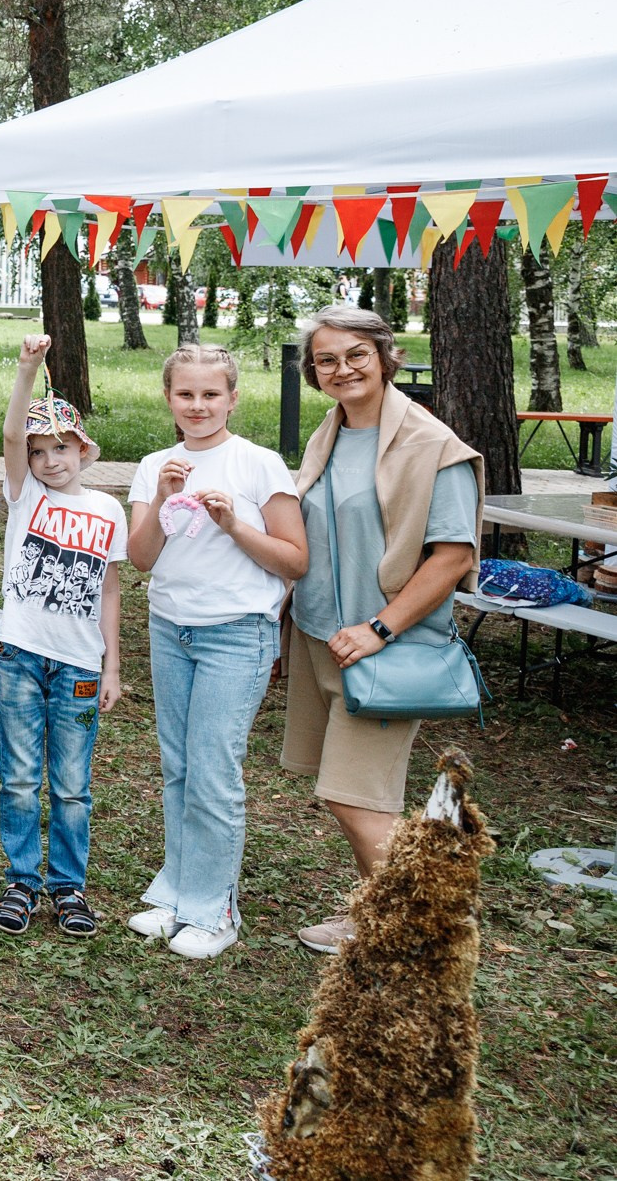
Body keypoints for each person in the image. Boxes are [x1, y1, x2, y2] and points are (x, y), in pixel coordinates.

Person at [283, 303, 479, 954]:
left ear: (385, 354)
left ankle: (421, 930)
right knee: (347, 793)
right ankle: (375, 916)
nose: (343, 369)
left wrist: (380, 627)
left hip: (381, 646)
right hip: (320, 636)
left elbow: (453, 556)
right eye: (327, 359)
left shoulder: (431, 445)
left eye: (356, 354)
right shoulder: (330, 433)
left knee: (354, 795)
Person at [125, 343, 307, 960]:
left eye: (210, 394)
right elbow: (142, 559)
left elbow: (295, 560)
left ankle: (215, 909)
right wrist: (159, 498)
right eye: (185, 394)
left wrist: (234, 525)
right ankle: (178, 892)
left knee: (213, 768)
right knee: (178, 765)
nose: (198, 406)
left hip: (237, 631)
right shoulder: (154, 464)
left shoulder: (258, 465)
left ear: (232, 398)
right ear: (169, 398)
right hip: (170, 627)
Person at [0, 337, 126, 939]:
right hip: (20, 657)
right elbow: (12, 436)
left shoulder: (107, 510)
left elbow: (112, 591)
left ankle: (68, 886)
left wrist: (113, 667)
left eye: (60, 448)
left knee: (72, 786)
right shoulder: (25, 498)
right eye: (40, 451)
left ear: (82, 449)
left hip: (80, 665)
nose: (48, 460)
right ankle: (22, 880)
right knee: (19, 777)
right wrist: (27, 370)